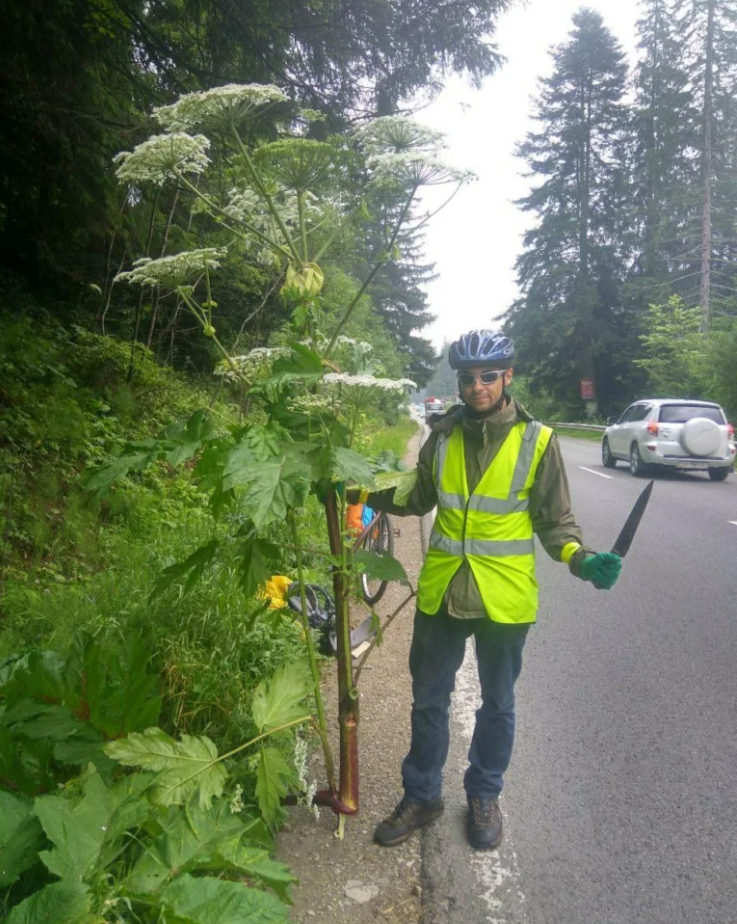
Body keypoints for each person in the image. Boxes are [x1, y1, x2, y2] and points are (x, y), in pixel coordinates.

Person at [360, 329, 622, 851]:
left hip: (504, 600)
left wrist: (581, 559)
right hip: (442, 594)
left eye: (487, 376)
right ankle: (422, 797)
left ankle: (483, 795)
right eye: (467, 378)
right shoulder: (442, 437)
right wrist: (354, 485)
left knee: (497, 705)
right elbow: (417, 497)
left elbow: (556, 521)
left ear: (507, 376)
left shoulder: (538, 441)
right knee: (429, 701)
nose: (477, 386)